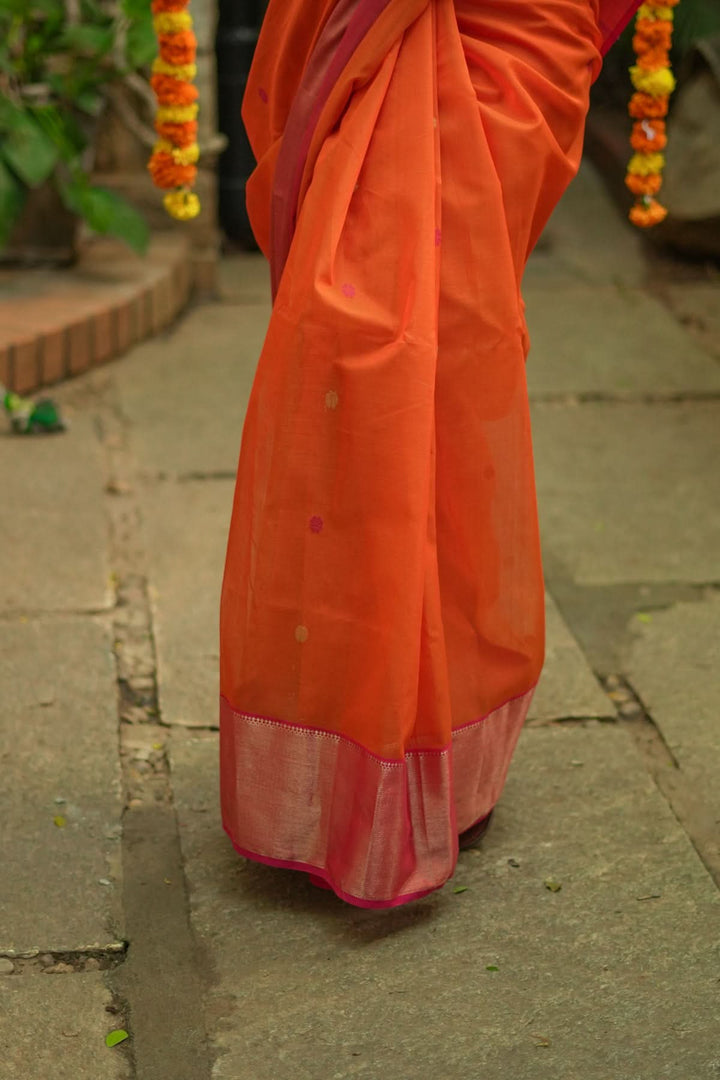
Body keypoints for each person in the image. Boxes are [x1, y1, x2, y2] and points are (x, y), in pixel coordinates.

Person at [219, 0, 642, 908]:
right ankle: (354, 744)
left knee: (441, 383)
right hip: (383, 41)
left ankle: (428, 748)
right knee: (360, 381)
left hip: (506, 49)